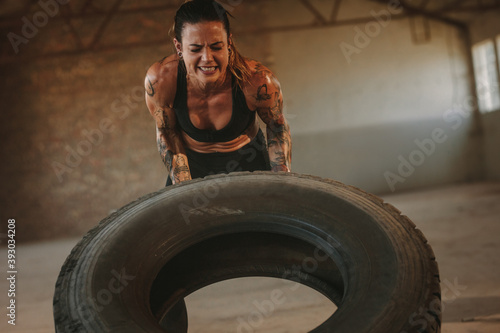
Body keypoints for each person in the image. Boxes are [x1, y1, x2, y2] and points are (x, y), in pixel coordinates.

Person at [145, 0, 291, 186]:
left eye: (216, 47)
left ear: (228, 42)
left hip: (248, 162)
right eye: (196, 49)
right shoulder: (161, 80)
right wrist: (183, 186)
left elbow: (276, 126)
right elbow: (167, 131)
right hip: (193, 166)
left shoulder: (258, 81)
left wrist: (281, 179)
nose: (207, 58)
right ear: (179, 47)